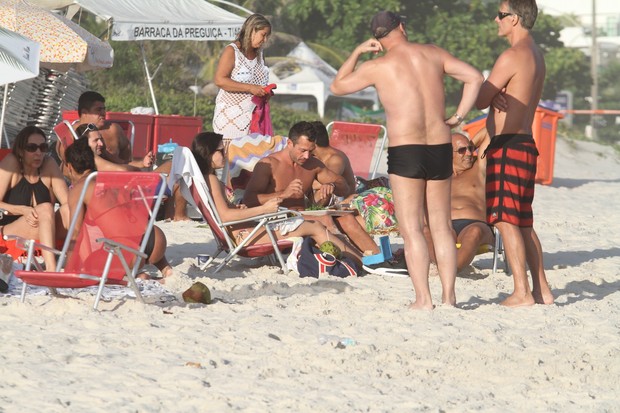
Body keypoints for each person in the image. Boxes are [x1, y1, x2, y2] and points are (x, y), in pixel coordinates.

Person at [331, 11, 483, 309]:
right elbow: (475, 77)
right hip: (440, 145)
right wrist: (457, 117)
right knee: (441, 226)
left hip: (406, 150)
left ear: (378, 38)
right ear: (402, 26)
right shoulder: (432, 53)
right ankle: (449, 298)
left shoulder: (378, 66)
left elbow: (338, 86)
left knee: (412, 228)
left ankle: (423, 299)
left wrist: (357, 53)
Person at [243, 121, 406, 275]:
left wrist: (332, 186)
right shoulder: (269, 164)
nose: (307, 156)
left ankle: (382, 259)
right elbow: (249, 199)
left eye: (311, 150)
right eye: (302, 150)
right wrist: (283, 194)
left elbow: (345, 185)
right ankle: (363, 262)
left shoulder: (312, 164)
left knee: (347, 219)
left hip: (302, 216)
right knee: (326, 219)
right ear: (290, 143)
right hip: (275, 218)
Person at [475, 0, 553, 307]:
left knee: (505, 220)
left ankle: (521, 291)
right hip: (525, 144)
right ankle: (541, 289)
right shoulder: (536, 55)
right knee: (522, 221)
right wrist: (498, 95)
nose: (496, 19)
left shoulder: (511, 55)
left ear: (516, 19)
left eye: (501, 14)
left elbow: (481, 97)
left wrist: (492, 93)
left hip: (508, 146)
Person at [190, 131, 363, 266]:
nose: (225, 153)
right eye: (221, 150)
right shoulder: (211, 180)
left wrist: (239, 209)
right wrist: (263, 209)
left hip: (241, 232)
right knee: (315, 226)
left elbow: (224, 213)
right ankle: (360, 261)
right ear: (208, 153)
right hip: (245, 237)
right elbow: (225, 217)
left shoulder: (206, 179)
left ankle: (356, 257)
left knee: (313, 224)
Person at [64, 136, 173, 281]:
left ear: (70, 167)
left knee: (90, 267)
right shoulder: (113, 178)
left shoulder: (79, 189)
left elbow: (75, 233)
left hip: (128, 251)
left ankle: (138, 277)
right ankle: (165, 268)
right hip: (155, 238)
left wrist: (69, 271)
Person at [0, 126, 69, 270]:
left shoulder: (48, 164)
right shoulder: (12, 162)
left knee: (71, 210)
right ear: (20, 150)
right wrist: (22, 210)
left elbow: (67, 202)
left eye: (43, 147)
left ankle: (81, 260)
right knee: (45, 208)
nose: (38, 153)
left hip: (42, 226)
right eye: (32, 148)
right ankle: (51, 269)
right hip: (9, 230)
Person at [426, 132, 495, 273]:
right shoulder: (438, 175)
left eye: (471, 148)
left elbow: (491, 131)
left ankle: (451, 270)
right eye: (462, 151)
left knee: (474, 232)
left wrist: (470, 143)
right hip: (444, 223)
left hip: (475, 223)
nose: (469, 153)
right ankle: (443, 267)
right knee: (427, 231)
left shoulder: (478, 167)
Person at [213, 13, 271, 138]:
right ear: (252, 30)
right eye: (263, 35)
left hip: (255, 118)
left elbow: (259, 85)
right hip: (230, 118)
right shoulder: (232, 51)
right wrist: (250, 88)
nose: (265, 40)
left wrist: (265, 92)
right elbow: (219, 80)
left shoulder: (261, 55)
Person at [73, 91, 154, 167]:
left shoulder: (114, 130)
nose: (103, 113)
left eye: (104, 109)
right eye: (98, 110)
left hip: (116, 176)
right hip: (86, 180)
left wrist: (142, 162)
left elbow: (123, 162)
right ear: (84, 113)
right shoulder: (71, 133)